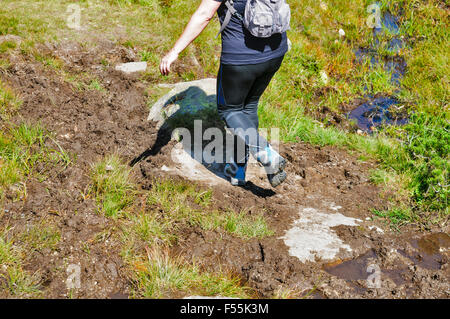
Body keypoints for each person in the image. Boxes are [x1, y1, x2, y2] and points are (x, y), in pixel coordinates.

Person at [160, 0, 288, 188]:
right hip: (276, 52)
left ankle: (267, 154)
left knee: (230, 110)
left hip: (242, 58)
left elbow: (205, 14)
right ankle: (238, 171)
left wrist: (174, 51)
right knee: (248, 107)